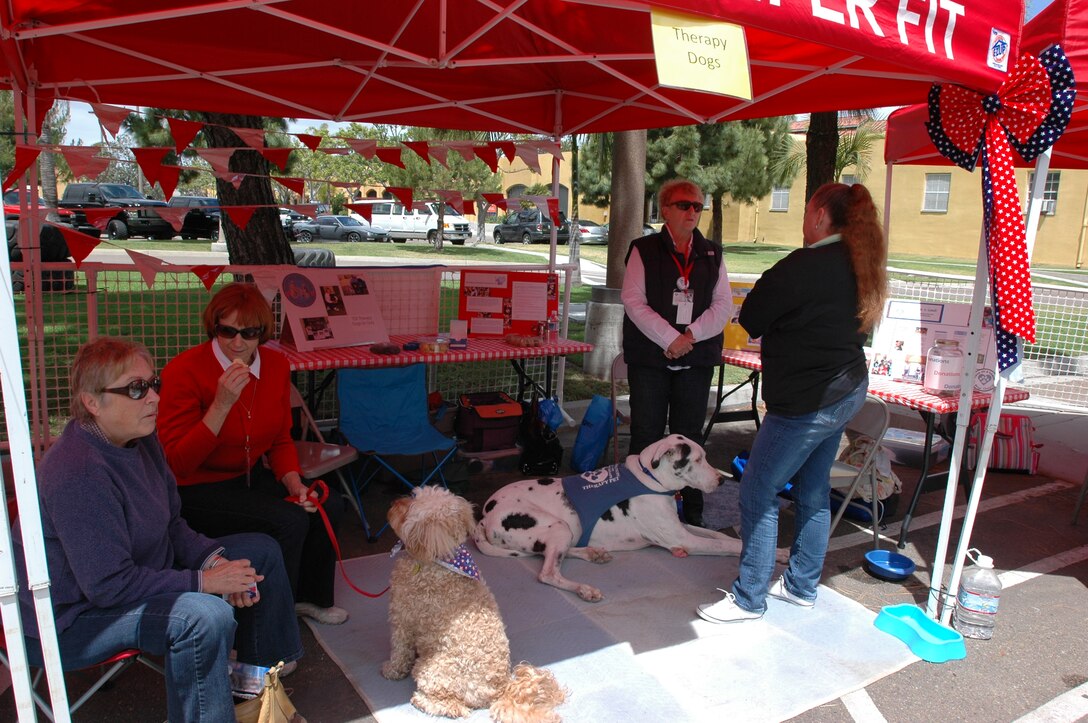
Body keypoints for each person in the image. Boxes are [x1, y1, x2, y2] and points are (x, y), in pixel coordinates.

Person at [11, 337, 302, 722]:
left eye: (153, 384)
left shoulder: (142, 440)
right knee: (203, 614)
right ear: (92, 402)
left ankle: (256, 698)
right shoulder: (77, 472)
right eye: (135, 388)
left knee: (260, 552)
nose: (154, 398)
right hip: (70, 620)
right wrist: (205, 582)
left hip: (134, 576)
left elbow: (172, 526)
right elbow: (109, 586)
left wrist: (218, 564)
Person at [697, 182, 888, 623]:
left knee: (758, 489)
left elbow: (754, 316)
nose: (804, 220)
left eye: (806, 211)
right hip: (843, 390)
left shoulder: (805, 265)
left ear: (820, 216)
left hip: (808, 400)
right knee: (813, 488)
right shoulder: (862, 263)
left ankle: (750, 597)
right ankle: (802, 586)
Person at [157, 282, 349, 625]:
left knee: (327, 503)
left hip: (244, 477)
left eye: (249, 333)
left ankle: (309, 597)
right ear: (213, 327)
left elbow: (280, 440)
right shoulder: (184, 370)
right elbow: (178, 463)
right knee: (287, 521)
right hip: (196, 489)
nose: (237, 342)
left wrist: (294, 484)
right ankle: (274, 622)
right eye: (226, 331)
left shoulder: (275, 365)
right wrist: (220, 406)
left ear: (262, 333)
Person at [620, 177, 733, 527]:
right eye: (684, 205)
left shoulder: (712, 252)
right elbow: (633, 300)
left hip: (695, 360)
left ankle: (692, 510)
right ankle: (638, 507)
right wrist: (669, 338)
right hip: (652, 359)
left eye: (698, 206)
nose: (692, 212)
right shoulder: (643, 248)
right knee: (646, 434)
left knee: (692, 438)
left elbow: (723, 304)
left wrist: (691, 336)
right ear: (665, 209)